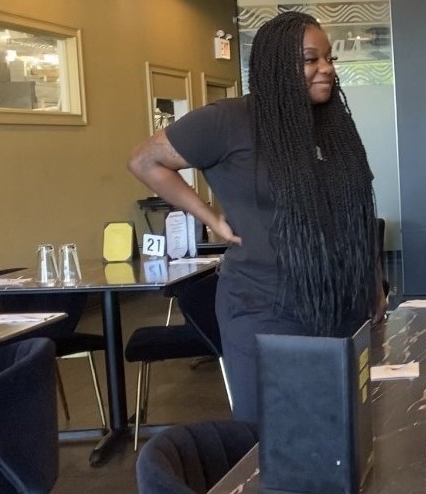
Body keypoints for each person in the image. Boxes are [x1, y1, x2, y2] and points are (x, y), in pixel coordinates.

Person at [127, 12, 383, 422]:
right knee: (276, 436)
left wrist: (371, 282)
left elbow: (355, 211)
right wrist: (209, 216)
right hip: (267, 308)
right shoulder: (228, 120)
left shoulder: (331, 127)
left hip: (341, 305)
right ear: (276, 65)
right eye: (310, 59)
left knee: (343, 428)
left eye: (330, 59)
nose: (326, 69)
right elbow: (145, 160)